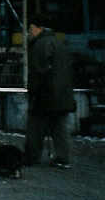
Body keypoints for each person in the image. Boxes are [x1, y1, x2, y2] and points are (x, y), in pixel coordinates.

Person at [24, 13, 75, 168]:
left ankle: (31, 157)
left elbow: (38, 72)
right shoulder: (59, 43)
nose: (29, 32)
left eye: (31, 28)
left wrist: (32, 92)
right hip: (62, 95)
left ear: (39, 28)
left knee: (35, 126)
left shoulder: (40, 45)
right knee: (59, 127)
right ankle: (63, 158)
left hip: (45, 95)